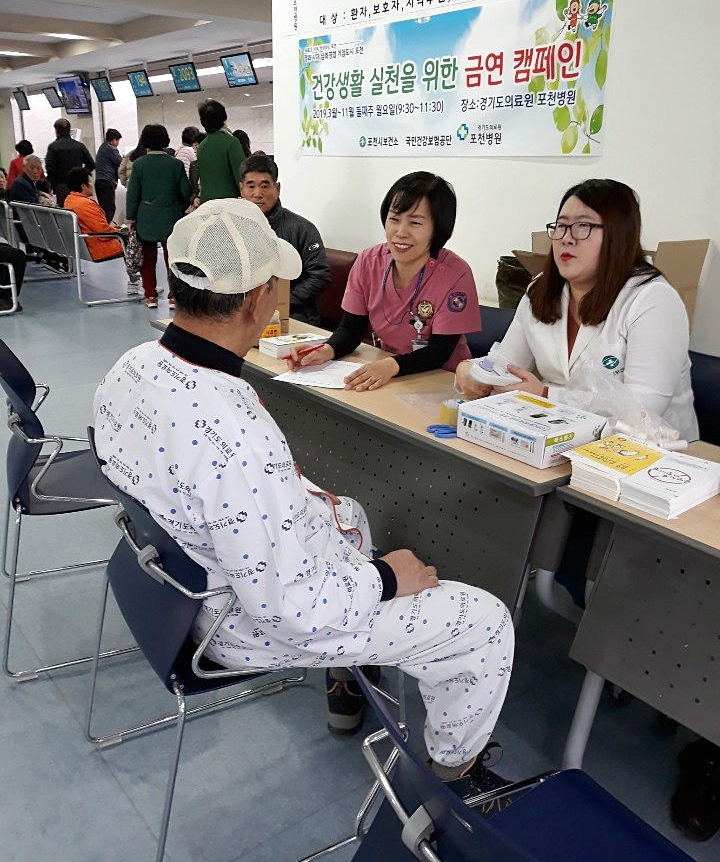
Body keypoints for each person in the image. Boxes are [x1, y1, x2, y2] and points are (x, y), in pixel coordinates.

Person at [93, 198, 514, 789]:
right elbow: (292, 607)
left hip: (175, 584)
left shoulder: (132, 366)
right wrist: (388, 578)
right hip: (240, 623)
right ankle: (450, 781)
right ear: (255, 298)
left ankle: (348, 673)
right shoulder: (237, 438)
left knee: (352, 514)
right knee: (487, 622)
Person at [454, 178, 698, 441]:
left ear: (619, 235)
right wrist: (472, 372)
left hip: (650, 457)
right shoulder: (542, 289)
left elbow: (642, 413)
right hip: (561, 440)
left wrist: (546, 396)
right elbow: (506, 367)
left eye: (583, 226)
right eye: (561, 226)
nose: (566, 239)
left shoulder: (653, 299)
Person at [290, 171, 480, 389]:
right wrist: (326, 350)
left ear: (438, 228)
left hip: (441, 382)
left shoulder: (456, 274)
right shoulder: (368, 261)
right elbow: (351, 330)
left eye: (415, 223)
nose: (400, 232)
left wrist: (391, 366)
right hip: (388, 374)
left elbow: (440, 352)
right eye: (394, 219)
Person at [239, 154, 330, 325]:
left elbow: (319, 275)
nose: (257, 194)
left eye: (265, 186)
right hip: (243, 317)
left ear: (277, 188)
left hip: (295, 316)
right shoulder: (232, 228)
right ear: (241, 189)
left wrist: (281, 302)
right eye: (251, 186)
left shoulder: (302, 229)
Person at [125, 124, 192, 309]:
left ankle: (151, 296)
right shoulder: (175, 164)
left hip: (145, 217)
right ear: (166, 141)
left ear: (145, 142)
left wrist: (131, 218)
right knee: (173, 259)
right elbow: (185, 192)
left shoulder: (139, 165)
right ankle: (173, 297)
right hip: (171, 217)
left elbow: (133, 195)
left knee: (148, 259)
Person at [63, 166, 139, 293]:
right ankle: (136, 281)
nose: (92, 185)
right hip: (95, 247)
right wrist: (120, 231)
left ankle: (135, 280)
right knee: (133, 240)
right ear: (83, 186)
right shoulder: (86, 204)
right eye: (90, 182)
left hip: (82, 245)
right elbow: (103, 230)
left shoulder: (69, 200)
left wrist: (116, 228)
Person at [196, 100, 244, 202]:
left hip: (206, 203)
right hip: (228, 203)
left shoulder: (201, 146)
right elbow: (242, 177)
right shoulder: (231, 142)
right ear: (223, 119)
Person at [45, 118, 95, 207]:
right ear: (69, 130)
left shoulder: (53, 147)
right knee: (80, 209)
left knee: (66, 212)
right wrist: (80, 175)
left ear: (56, 131)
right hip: (79, 187)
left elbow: (50, 169)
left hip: (61, 186)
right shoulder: (79, 146)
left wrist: (52, 186)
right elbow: (91, 164)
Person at [94, 128, 122, 222]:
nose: (118, 143)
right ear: (113, 139)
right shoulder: (111, 149)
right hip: (107, 182)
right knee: (110, 209)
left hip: (99, 181)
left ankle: (104, 227)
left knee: (103, 209)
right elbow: (120, 162)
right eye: (118, 140)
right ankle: (105, 230)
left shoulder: (102, 147)